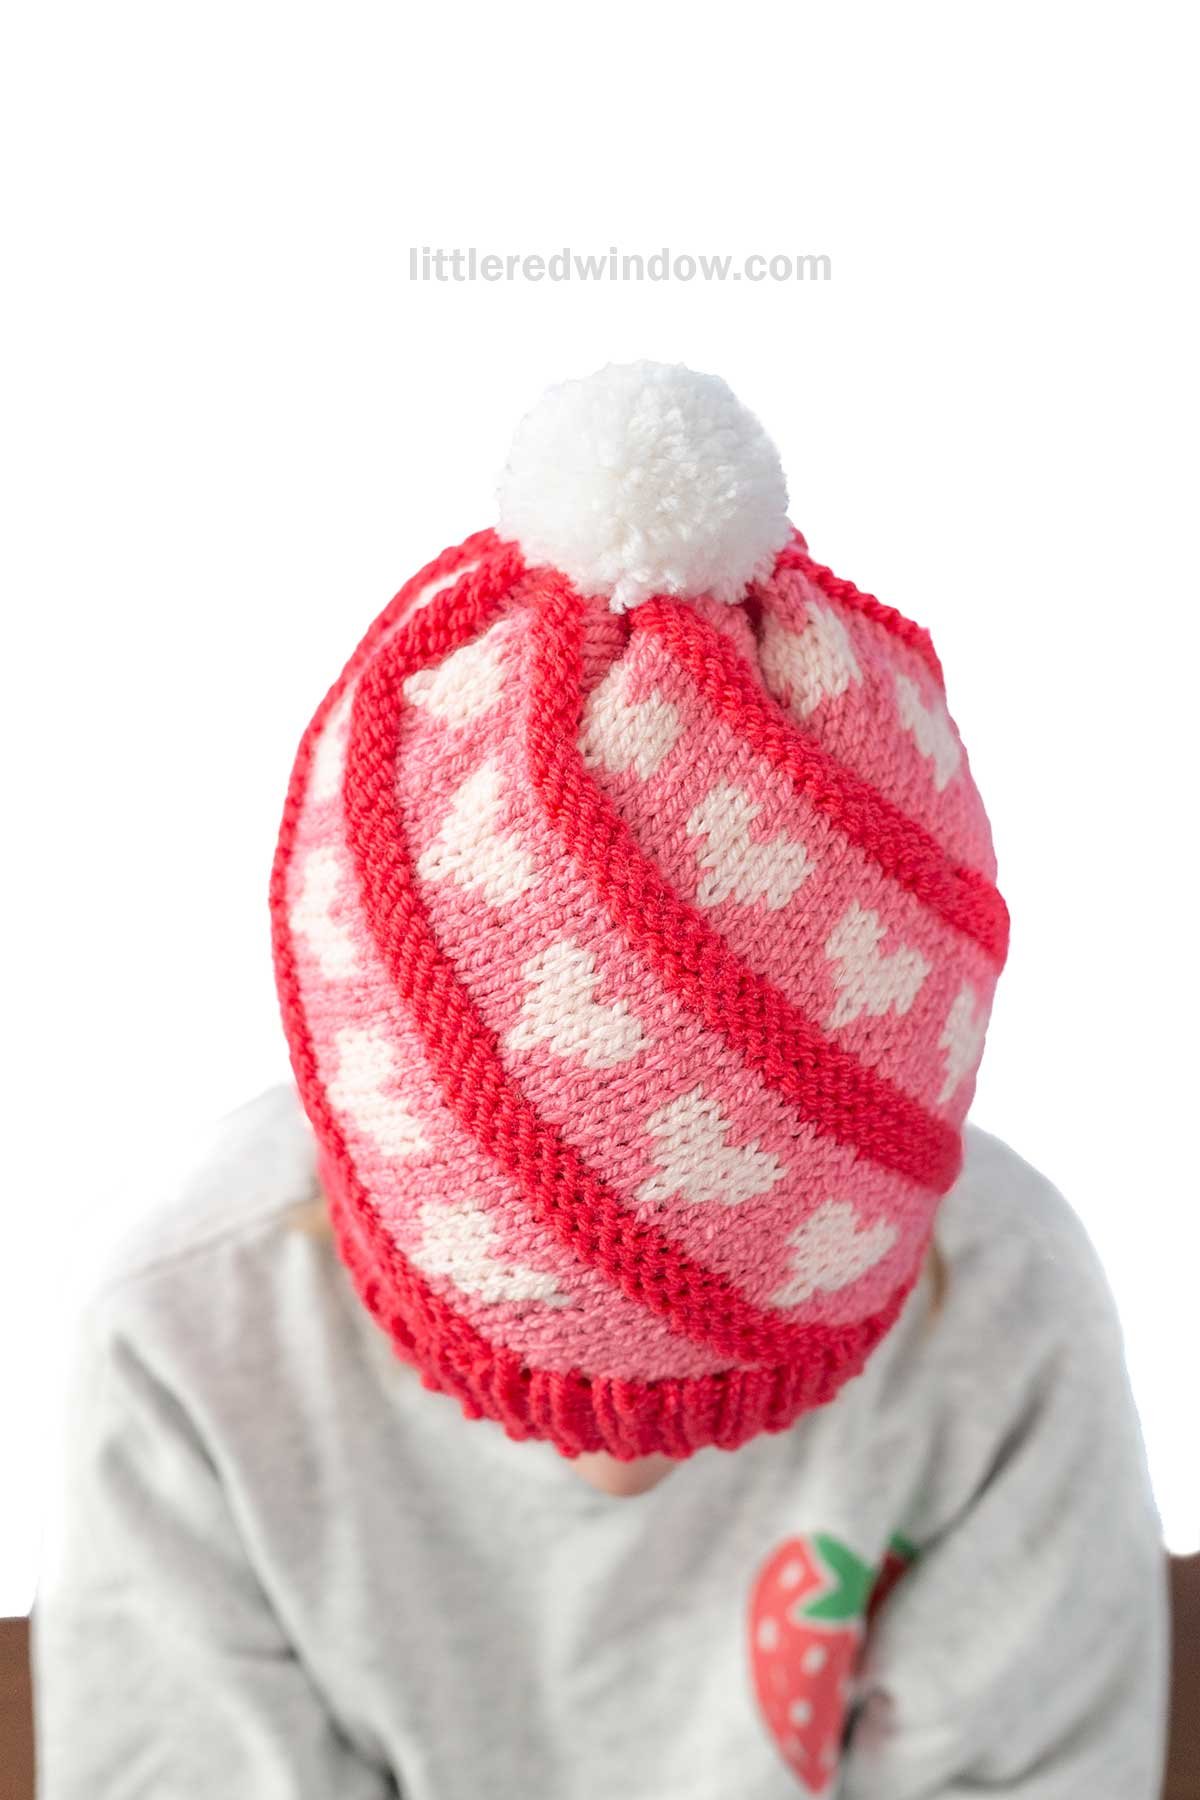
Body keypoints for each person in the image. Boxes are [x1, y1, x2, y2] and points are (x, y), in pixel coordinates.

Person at [32, 363, 1169, 1797]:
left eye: (707, 1365)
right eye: (538, 1322)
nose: (620, 1464)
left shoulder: (1002, 1313)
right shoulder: (187, 1336)